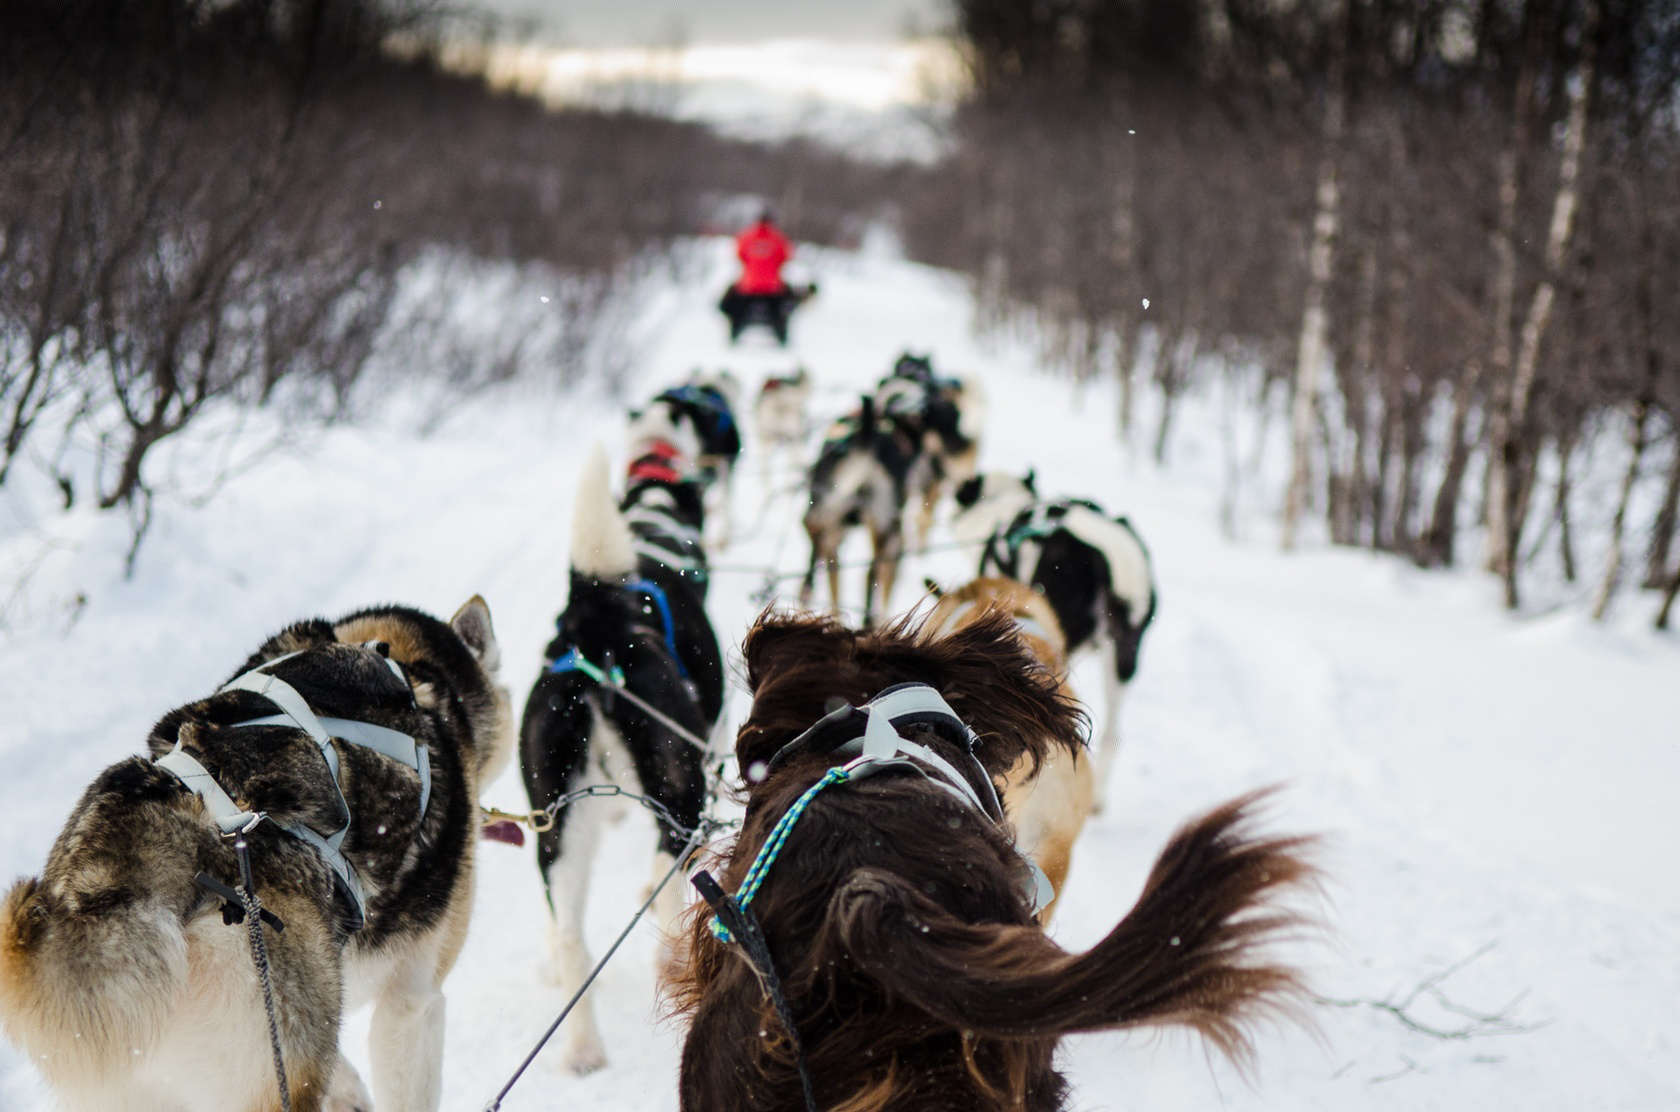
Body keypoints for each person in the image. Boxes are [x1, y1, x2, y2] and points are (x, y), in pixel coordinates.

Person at [720, 210, 809, 346]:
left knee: (730, 303)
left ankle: (734, 330)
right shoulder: (778, 237)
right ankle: (781, 332)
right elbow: (786, 256)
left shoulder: (746, 236)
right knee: (787, 304)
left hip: (747, 286)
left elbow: (739, 255)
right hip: (773, 287)